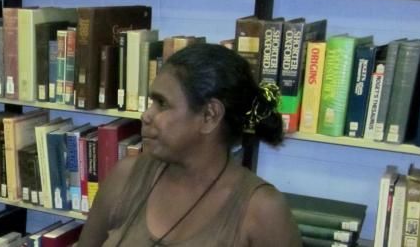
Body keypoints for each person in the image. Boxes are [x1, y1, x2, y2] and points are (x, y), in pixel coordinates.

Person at [78, 43, 301, 247]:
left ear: (209, 116)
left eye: (162, 104)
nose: (146, 115)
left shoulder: (262, 210)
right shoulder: (125, 178)